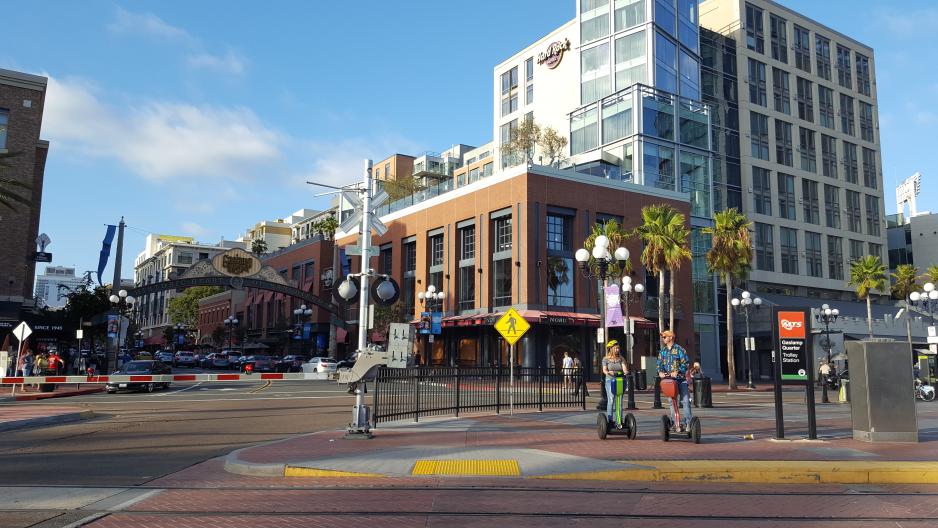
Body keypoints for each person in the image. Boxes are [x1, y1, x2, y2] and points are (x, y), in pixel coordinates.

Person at [657, 330, 692, 432]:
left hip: (681, 380)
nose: (663, 338)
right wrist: (660, 372)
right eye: (663, 337)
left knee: (685, 401)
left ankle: (688, 424)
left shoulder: (680, 350)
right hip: (669, 381)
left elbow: (685, 364)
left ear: (671, 337)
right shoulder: (662, 351)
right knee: (672, 402)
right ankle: (675, 423)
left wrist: (678, 371)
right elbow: (659, 364)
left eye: (664, 337)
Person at [601, 340, 629, 417]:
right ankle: (610, 419)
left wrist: (625, 371)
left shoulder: (621, 358)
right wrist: (608, 372)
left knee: (619, 401)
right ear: (611, 349)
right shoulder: (605, 359)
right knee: (611, 399)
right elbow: (604, 370)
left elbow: (624, 368)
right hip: (610, 380)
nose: (618, 350)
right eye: (616, 348)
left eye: (618, 348)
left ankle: (619, 421)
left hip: (620, 380)